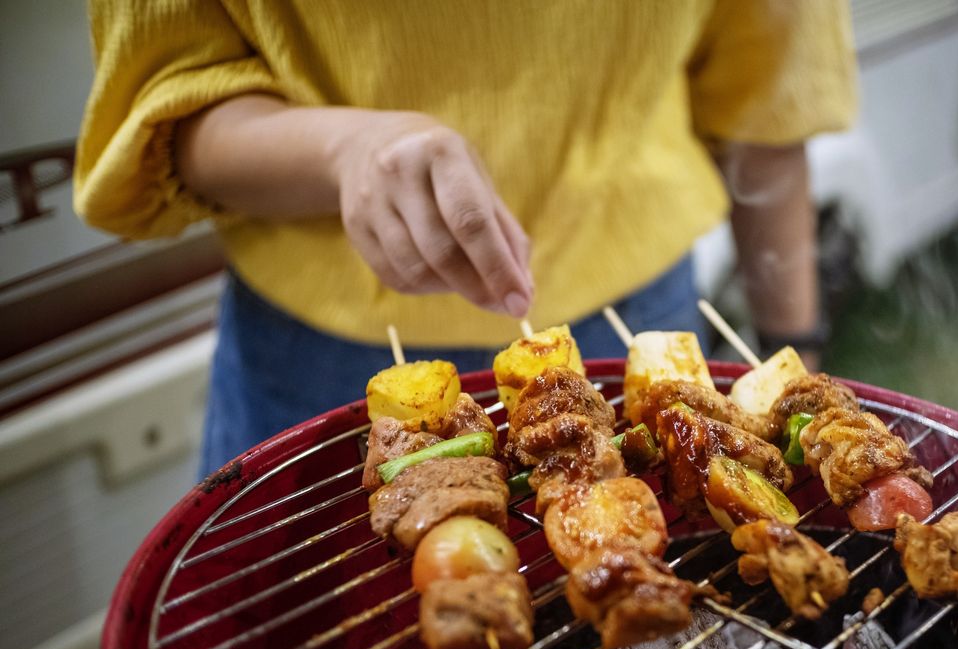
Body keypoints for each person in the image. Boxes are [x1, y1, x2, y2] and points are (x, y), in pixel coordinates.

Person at [75, 1, 857, 476]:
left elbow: (767, 101)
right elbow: (164, 105)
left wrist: (797, 355)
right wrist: (343, 152)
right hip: (324, 357)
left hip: (640, 321)